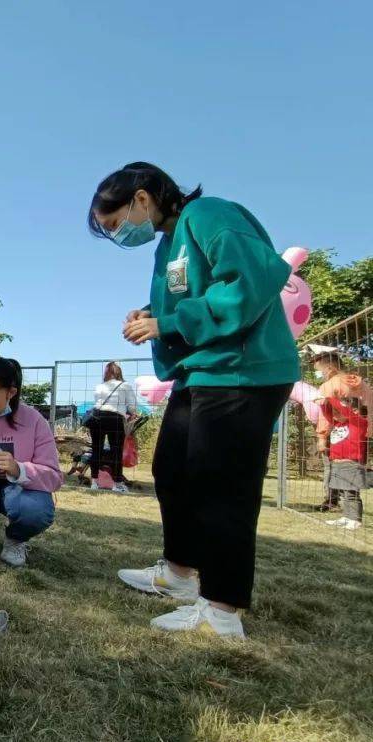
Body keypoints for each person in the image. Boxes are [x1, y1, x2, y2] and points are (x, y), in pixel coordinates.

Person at [89, 162, 298, 640]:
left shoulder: (209, 215)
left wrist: (168, 321)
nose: (121, 234)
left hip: (242, 372)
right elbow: (187, 300)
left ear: (142, 198)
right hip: (199, 373)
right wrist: (151, 313)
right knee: (174, 470)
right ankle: (179, 575)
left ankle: (221, 609)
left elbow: (252, 282)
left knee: (221, 486)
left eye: (117, 223)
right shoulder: (169, 243)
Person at [0, 356, 62, 568]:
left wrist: (19, 469)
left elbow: (54, 476)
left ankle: (16, 539)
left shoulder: (34, 420)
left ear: (11, 393)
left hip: (19, 490)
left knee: (37, 510)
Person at [313, 348, 372, 530]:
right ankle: (348, 515)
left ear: (330, 368)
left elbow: (325, 414)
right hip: (362, 434)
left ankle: (352, 517)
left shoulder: (329, 385)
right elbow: (370, 407)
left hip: (341, 436)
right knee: (351, 474)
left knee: (343, 475)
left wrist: (322, 437)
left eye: (320, 371)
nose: (319, 374)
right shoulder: (362, 384)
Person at [87, 361, 138, 493]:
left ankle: (94, 482)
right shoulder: (125, 385)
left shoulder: (100, 386)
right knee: (116, 451)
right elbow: (132, 406)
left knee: (96, 449)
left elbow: (97, 402)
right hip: (115, 418)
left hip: (97, 417)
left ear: (106, 373)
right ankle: (117, 484)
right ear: (119, 372)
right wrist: (132, 413)